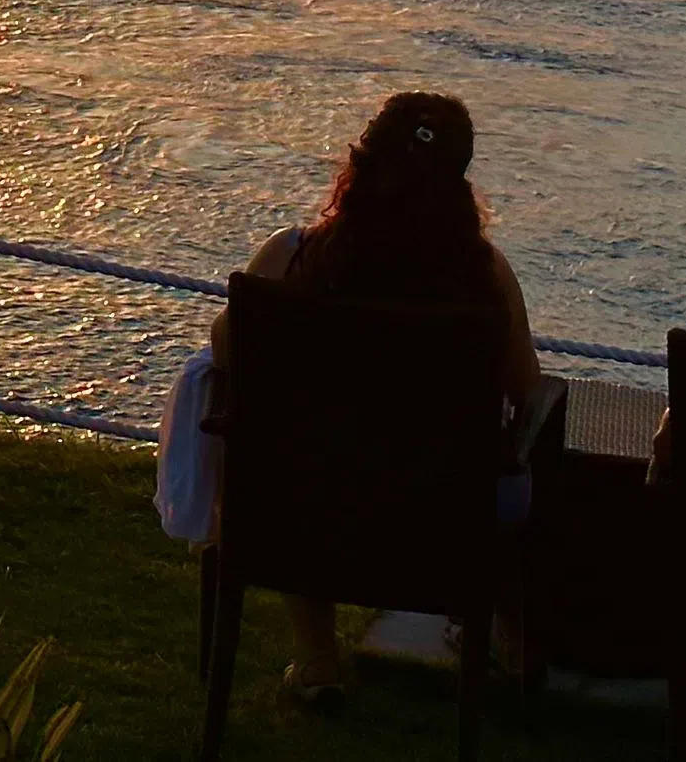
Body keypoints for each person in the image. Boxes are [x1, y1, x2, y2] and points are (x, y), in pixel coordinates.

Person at [212, 91, 544, 702]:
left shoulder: (292, 259)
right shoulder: (485, 278)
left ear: (361, 166)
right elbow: (526, 388)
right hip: (440, 523)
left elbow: (227, 350)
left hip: (305, 513)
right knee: (529, 456)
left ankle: (318, 661)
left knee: (307, 451)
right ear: (457, 184)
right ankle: (514, 643)